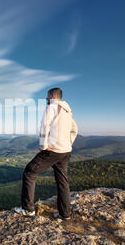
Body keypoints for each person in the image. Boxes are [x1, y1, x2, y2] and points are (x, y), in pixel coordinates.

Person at [14, 87, 78, 220]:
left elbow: (44, 126)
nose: (46, 98)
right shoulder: (67, 110)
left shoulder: (52, 107)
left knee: (29, 172)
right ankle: (65, 214)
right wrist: (68, 143)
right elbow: (74, 129)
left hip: (53, 149)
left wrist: (43, 146)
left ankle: (28, 209)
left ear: (53, 96)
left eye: (47, 96)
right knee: (62, 181)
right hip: (65, 150)